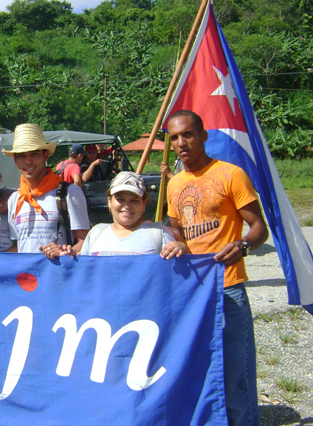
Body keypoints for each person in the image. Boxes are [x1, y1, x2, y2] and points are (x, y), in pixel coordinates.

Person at [165, 110, 268, 426]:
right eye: (175, 138)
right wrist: (179, 243)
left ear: (203, 136)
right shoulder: (174, 184)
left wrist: (243, 246)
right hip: (193, 294)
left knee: (236, 373)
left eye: (188, 134)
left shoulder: (230, 174)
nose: (182, 142)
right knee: (201, 372)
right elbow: (176, 228)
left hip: (229, 288)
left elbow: (258, 227)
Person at [2, 123, 90, 257]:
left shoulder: (69, 193)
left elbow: (85, 241)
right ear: (15, 160)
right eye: (21, 155)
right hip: (27, 276)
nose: (28, 161)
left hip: (59, 275)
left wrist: (65, 252)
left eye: (34, 154)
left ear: (46, 156)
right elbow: (19, 246)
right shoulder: (16, 199)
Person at [80, 171, 188, 258]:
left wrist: (183, 250)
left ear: (144, 203)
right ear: (109, 201)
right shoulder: (95, 233)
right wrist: (67, 257)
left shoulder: (160, 234)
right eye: (120, 199)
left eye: (134, 200)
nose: (127, 206)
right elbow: (82, 274)